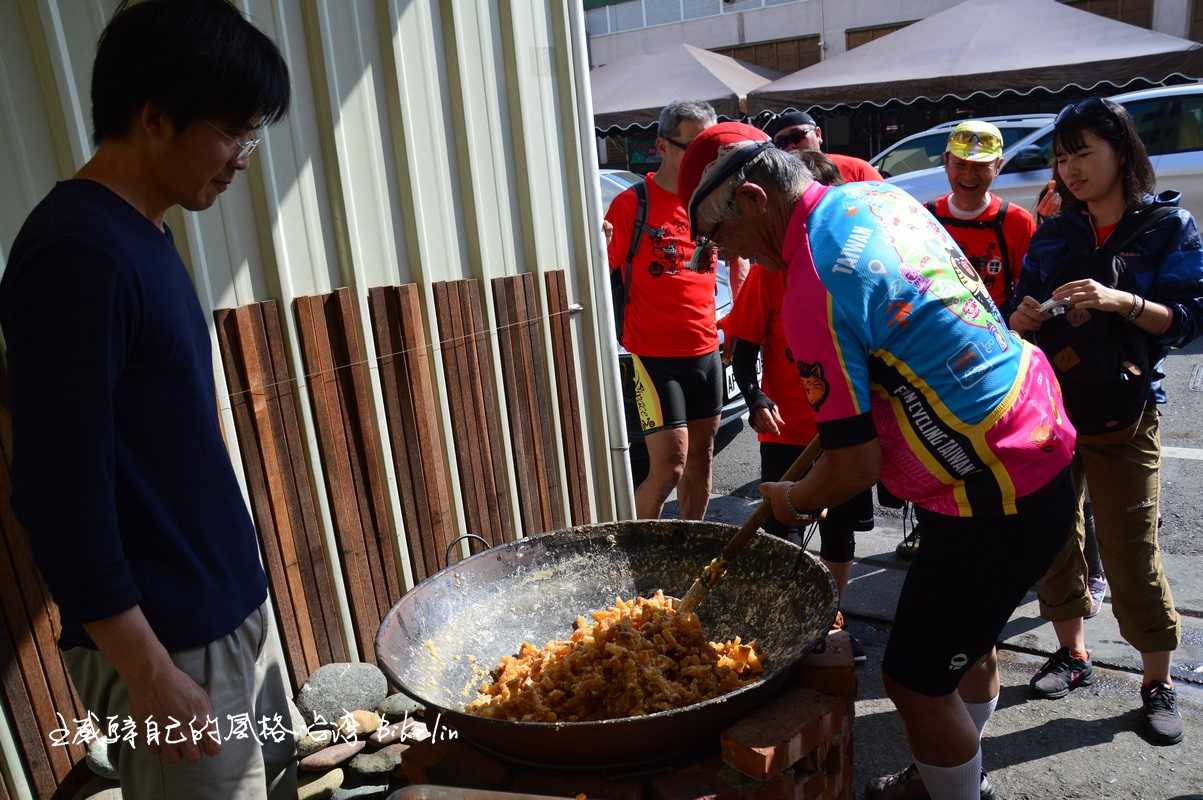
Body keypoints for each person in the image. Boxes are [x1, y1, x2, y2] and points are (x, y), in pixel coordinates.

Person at [678, 122, 1077, 800]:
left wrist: (789, 499)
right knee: (965, 643)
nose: (724, 256)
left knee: (913, 682)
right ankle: (944, 773)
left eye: (717, 238)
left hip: (994, 489)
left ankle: (953, 790)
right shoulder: (874, 201)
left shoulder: (811, 285)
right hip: (1034, 438)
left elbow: (852, 467)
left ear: (750, 199)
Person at [0, 2, 296, 797]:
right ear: (155, 117)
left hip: (223, 617)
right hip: (170, 650)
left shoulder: (144, 233)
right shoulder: (75, 255)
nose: (242, 157)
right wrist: (149, 672)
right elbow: (57, 489)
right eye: (234, 131)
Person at [1006, 97, 1203, 746]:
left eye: (1082, 152)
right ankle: (1072, 654)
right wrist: (1023, 317)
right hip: (1050, 412)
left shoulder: (1166, 227)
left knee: (1129, 551)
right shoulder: (1055, 233)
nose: (1069, 169)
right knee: (1055, 539)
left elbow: (1189, 319)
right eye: (1060, 158)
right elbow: (1014, 311)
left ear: (1121, 150)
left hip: (1124, 415)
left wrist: (1123, 301)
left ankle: (1155, 681)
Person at [722, 150, 873, 663]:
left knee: (839, 528)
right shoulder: (769, 274)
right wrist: (756, 398)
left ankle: (831, 612)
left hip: (846, 432)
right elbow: (743, 350)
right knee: (782, 526)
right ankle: (787, 611)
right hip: (787, 429)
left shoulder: (851, 264)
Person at [605, 100, 720, 520]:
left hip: (706, 352)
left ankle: (689, 557)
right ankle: (642, 558)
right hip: (653, 357)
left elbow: (732, 266)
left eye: (711, 148)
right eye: (694, 147)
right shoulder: (632, 205)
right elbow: (601, 272)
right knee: (670, 466)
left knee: (701, 463)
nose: (704, 159)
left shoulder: (710, 203)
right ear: (662, 147)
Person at [764, 111, 883, 183]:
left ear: (817, 134)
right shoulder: (778, 183)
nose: (791, 145)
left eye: (797, 135)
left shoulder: (856, 169)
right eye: (782, 142)